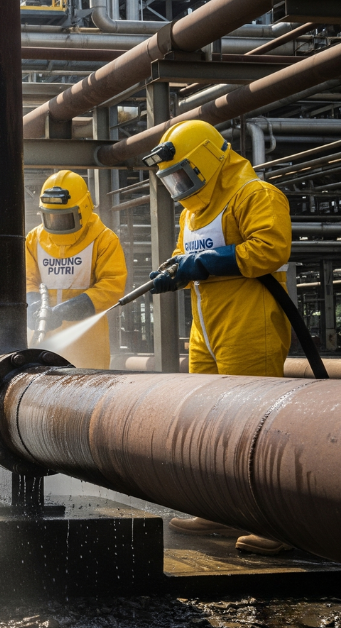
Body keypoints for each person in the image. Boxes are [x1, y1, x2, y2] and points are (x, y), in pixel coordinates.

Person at [144, 119, 293, 555]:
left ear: (208, 160)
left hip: (249, 328)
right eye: (173, 180)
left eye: (184, 174)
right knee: (211, 424)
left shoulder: (254, 194)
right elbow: (183, 255)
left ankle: (278, 524)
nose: (180, 185)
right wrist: (174, 270)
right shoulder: (193, 212)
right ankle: (219, 509)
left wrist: (209, 263)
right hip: (206, 333)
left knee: (257, 429)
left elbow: (270, 248)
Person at [25, 170, 127, 369]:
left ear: (84, 209)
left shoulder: (104, 239)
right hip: (41, 342)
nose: (56, 224)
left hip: (88, 348)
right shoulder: (33, 240)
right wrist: (34, 303)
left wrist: (71, 309)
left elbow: (112, 286)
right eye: (50, 217)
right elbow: (26, 279)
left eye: (63, 218)